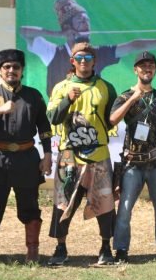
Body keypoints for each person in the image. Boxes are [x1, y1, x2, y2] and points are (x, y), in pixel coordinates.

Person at [0, 49, 53, 267]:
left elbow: (45, 129)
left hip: (27, 158)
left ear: (22, 71)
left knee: (30, 206)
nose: (11, 71)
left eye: (16, 67)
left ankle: (33, 251)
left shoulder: (33, 95)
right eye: (7, 67)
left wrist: (47, 154)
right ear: (0, 71)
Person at [19, 0, 156, 97]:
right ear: (68, 26)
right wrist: (58, 34)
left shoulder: (99, 53)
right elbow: (24, 31)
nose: (86, 23)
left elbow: (134, 45)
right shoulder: (53, 53)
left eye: (87, 20)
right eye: (80, 20)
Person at [46, 42, 118, 266]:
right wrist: (68, 99)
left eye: (88, 58)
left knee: (104, 203)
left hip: (98, 154)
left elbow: (110, 119)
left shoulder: (106, 87)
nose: (84, 62)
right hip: (69, 156)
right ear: (72, 61)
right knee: (63, 202)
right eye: (79, 58)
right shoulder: (61, 87)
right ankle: (60, 248)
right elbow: (53, 118)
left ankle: (106, 248)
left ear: (95, 61)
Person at [110, 51, 156, 263]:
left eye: (151, 66)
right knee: (125, 208)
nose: (147, 69)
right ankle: (121, 249)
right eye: (143, 65)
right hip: (132, 164)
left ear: (155, 69)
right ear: (135, 70)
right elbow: (112, 120)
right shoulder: (124, 96)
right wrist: (133, 100)